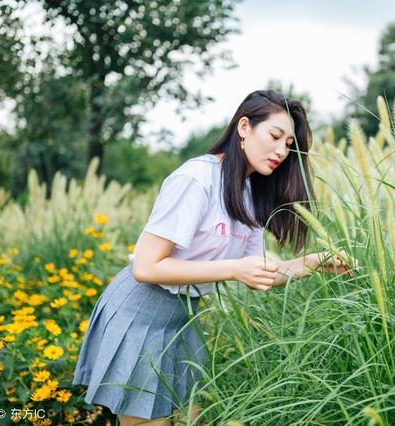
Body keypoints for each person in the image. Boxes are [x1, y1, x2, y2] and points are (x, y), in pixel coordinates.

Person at [72, 89, 354, 425]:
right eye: (275, 136)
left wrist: (313, 263)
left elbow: (258, 273)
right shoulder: (197, 178)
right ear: (244, 127)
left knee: (193, 417)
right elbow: (146, 267)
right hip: (140, 314)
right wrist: (234, 269)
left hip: (181, 320)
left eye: (288, 144)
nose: (281, 151)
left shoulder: (248, 195)